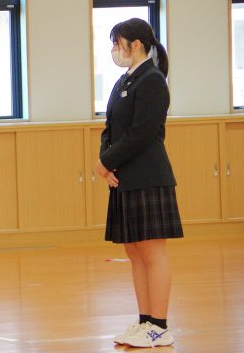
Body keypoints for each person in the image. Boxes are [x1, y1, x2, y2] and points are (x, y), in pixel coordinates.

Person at [95, 18, 183, 348]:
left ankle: (159, 325)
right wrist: (107, 161)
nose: (114, 50)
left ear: (136, 44)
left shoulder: (153, 80)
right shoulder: (124, 80)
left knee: (152, 252)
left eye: (117, 43)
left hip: (148, 176)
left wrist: (105, 162)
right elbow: (110, 128)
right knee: (134, 252)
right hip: (124, 177)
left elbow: (142, 133)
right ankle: (145, 320)